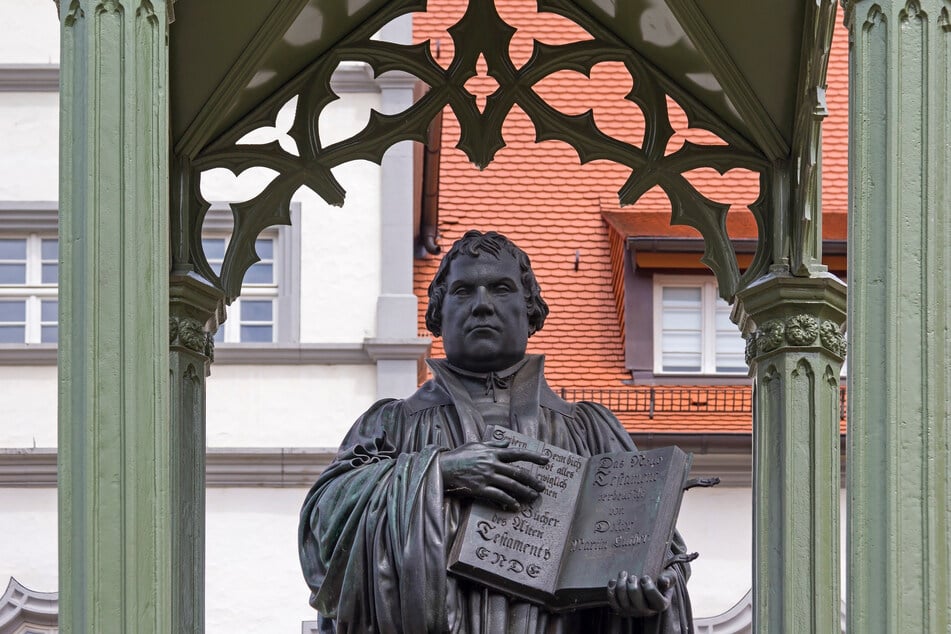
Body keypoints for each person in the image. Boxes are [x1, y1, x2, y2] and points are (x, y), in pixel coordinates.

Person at [299, 230, 694, 633]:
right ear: (438, 313)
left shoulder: (591, 431)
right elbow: (324, 532)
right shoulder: (390, 426)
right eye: (463, 291)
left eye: (501, 289)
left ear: (530, 311)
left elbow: (662, 556)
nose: (482, 304)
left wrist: (650, 594)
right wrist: (440, 472)